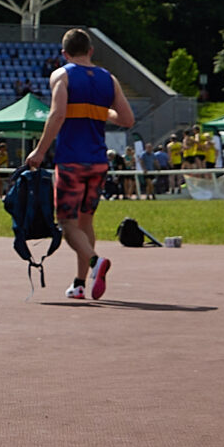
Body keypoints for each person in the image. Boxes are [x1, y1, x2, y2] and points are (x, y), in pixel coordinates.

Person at [25, 27, 135, 300]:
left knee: (67, 223)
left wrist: (39, 151)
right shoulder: (109, 79)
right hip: (98, 161)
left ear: (64, 53)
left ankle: (96, 262)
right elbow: (127, 120)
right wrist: (99, 112)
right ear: (90, 50)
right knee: (86, 222)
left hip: (71, 161)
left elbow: (57, 114)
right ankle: (80, 283)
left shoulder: (61, 75)